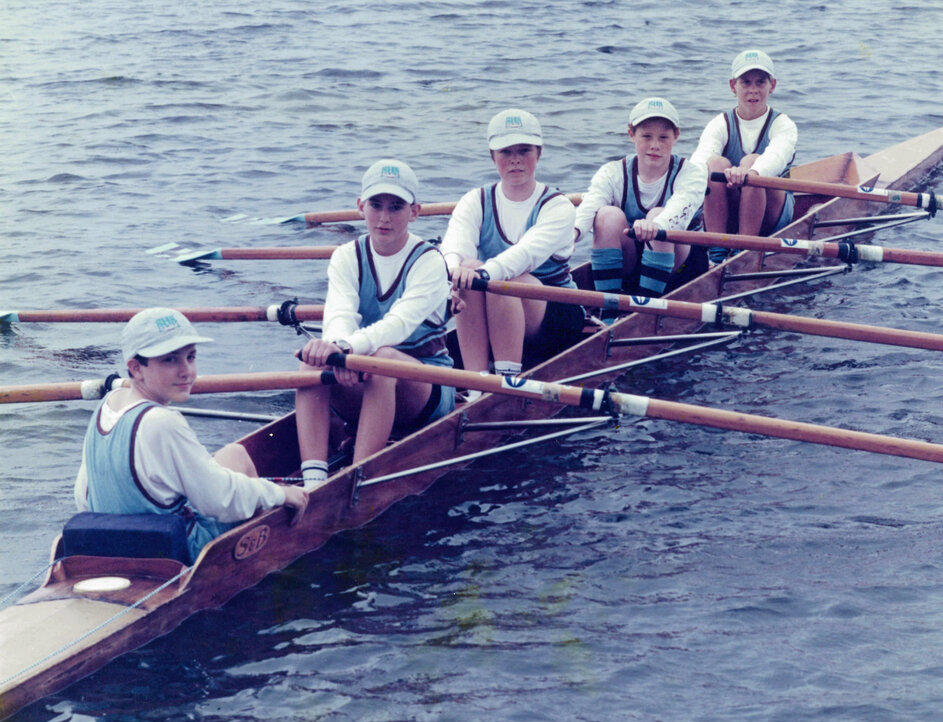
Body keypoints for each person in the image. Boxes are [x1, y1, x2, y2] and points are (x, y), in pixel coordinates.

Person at [74, 308, 308, 563]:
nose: (187, 371)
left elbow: (83, 497)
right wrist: (280, 494)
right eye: (170, 360)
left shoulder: (107, 404)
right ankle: (262, 555)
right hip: (177, 553)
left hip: (110, 547)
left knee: (228, 457)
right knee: (237, 457)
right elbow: (221, 501)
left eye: (191, 356)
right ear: (136, 368)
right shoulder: (163, 422)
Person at [295, 159, 454, 486]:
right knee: (311, 365)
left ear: (415, 212)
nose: (384, 217)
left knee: (383, 360)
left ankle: (359, 479)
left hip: (425, 387)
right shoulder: (345, 256)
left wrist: (348, 349)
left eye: (396, 207)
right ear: (359, 206)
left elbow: (399, 325)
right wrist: (336, 351)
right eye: (376, 205)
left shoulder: (429, 261)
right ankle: (314, 480)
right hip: (362, 370)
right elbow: (339, 315)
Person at [443, 108, 581, 379]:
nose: (515, 160)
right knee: (467, 268)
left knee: (504, 278)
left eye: (524, 151)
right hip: (495, 300)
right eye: (506, 152)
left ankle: (506, 380)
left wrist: (481, 275)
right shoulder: (475, 200)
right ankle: (476, 382)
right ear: (492, 156)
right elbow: (453, 248)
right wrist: (451, 273)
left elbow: (524, 255)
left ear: (538, 153)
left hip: (555, 316)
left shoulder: (558, 207)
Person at [574, 97, 708, 299]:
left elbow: (678, 209)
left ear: (676, 136)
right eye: (646, 136)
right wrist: (573, 234)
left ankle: (646, 309)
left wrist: (656, 224)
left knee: (658, 214)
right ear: (631, 134)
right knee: (606, 215)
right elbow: (590, 204)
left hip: (680, 267)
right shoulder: (612, 172)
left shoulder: (692, 174)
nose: (655, 145)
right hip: (632, 262)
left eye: (663, 137)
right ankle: (609, 308)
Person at [691, 49, 798, 263]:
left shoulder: (784, 125)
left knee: (752, 161)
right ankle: (717, 253)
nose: (753, 90)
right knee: (715, 163)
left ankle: (745, 251)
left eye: (760, 82)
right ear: (733, 86)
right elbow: (698, 163)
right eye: (746, 82)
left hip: (773, 213)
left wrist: (751, 171)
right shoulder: (719, 124)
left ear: (772, 85)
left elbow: (776, 157)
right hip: (730, 209)